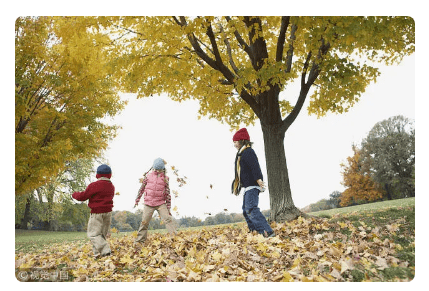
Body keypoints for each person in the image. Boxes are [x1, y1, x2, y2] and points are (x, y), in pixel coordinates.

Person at [231, 128, 275, 237]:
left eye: (235, 142)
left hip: (252, 185)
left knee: (251, 208)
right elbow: (240, 173)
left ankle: (267, 231)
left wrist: (259, 179)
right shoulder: (240, 154)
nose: (234, 145)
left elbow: (254, 166)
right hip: (246, 187)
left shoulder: (248, 152)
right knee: (245, 210)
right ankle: (254, 231)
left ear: (242, 141)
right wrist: (237, 186)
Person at [72, 164, 115, 258]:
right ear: (110, 175)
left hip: (97, 213)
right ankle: (98, 254)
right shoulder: (111, 186)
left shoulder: (94, 185)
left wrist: (74, 194)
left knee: (93, 234)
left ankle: (105, 250)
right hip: (108, 213)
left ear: (97, 175)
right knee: (101, 235)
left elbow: (83, 196)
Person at [134, 158, 177, 245]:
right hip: (148, 203)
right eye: (156, 169)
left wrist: (168, 209)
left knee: (168, 219)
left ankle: (175, 239)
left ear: (163, 169)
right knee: (144, 222)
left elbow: (168, 194)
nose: (157, 171)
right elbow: (141, 188)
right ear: (153, 167)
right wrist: (137, 200)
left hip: (160, 203)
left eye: (159, 169)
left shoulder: (165, 178)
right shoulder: (148, 176)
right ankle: (139, 241)